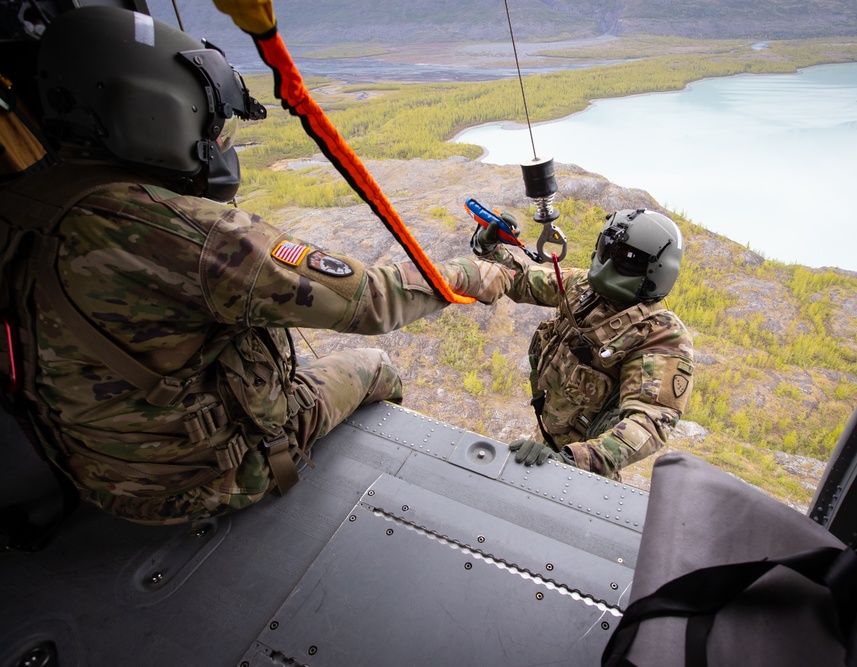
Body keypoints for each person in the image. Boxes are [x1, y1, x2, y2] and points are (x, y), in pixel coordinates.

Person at [0, 6, 510, 525]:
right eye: (208, 120)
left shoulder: (18, 200)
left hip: (88, 471)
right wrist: (473, 274)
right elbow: (369, 302)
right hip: (197, 483)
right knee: (374, 366)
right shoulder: (188, 234)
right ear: (157, 112)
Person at [472, 207, 694, 480]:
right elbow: (524, 281)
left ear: (656, 271)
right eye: (607, 249)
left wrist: (570, 460)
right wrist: (490, 246)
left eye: (628, 258)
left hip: (584, 470)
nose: (610, 264)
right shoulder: (583, 289)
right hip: (544, 441)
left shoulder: (661, 336)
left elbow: (650, 423)